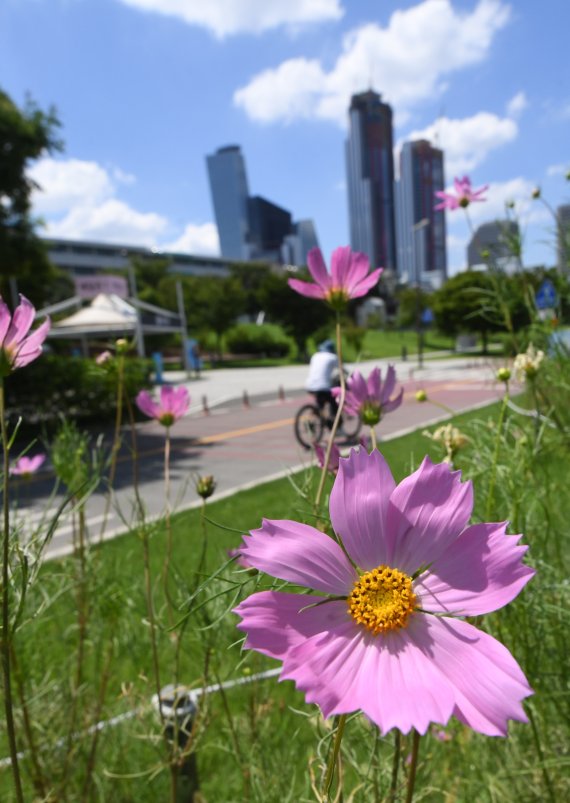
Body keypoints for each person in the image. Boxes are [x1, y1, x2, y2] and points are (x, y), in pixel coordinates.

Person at [305, 340, 339, 424]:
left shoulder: (315, 355)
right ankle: (334, 420)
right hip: (323, 386)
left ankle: (312, 418)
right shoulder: (332, 357)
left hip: (309, 385)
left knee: (320, 403)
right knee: (334, 402)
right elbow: (342, 369)